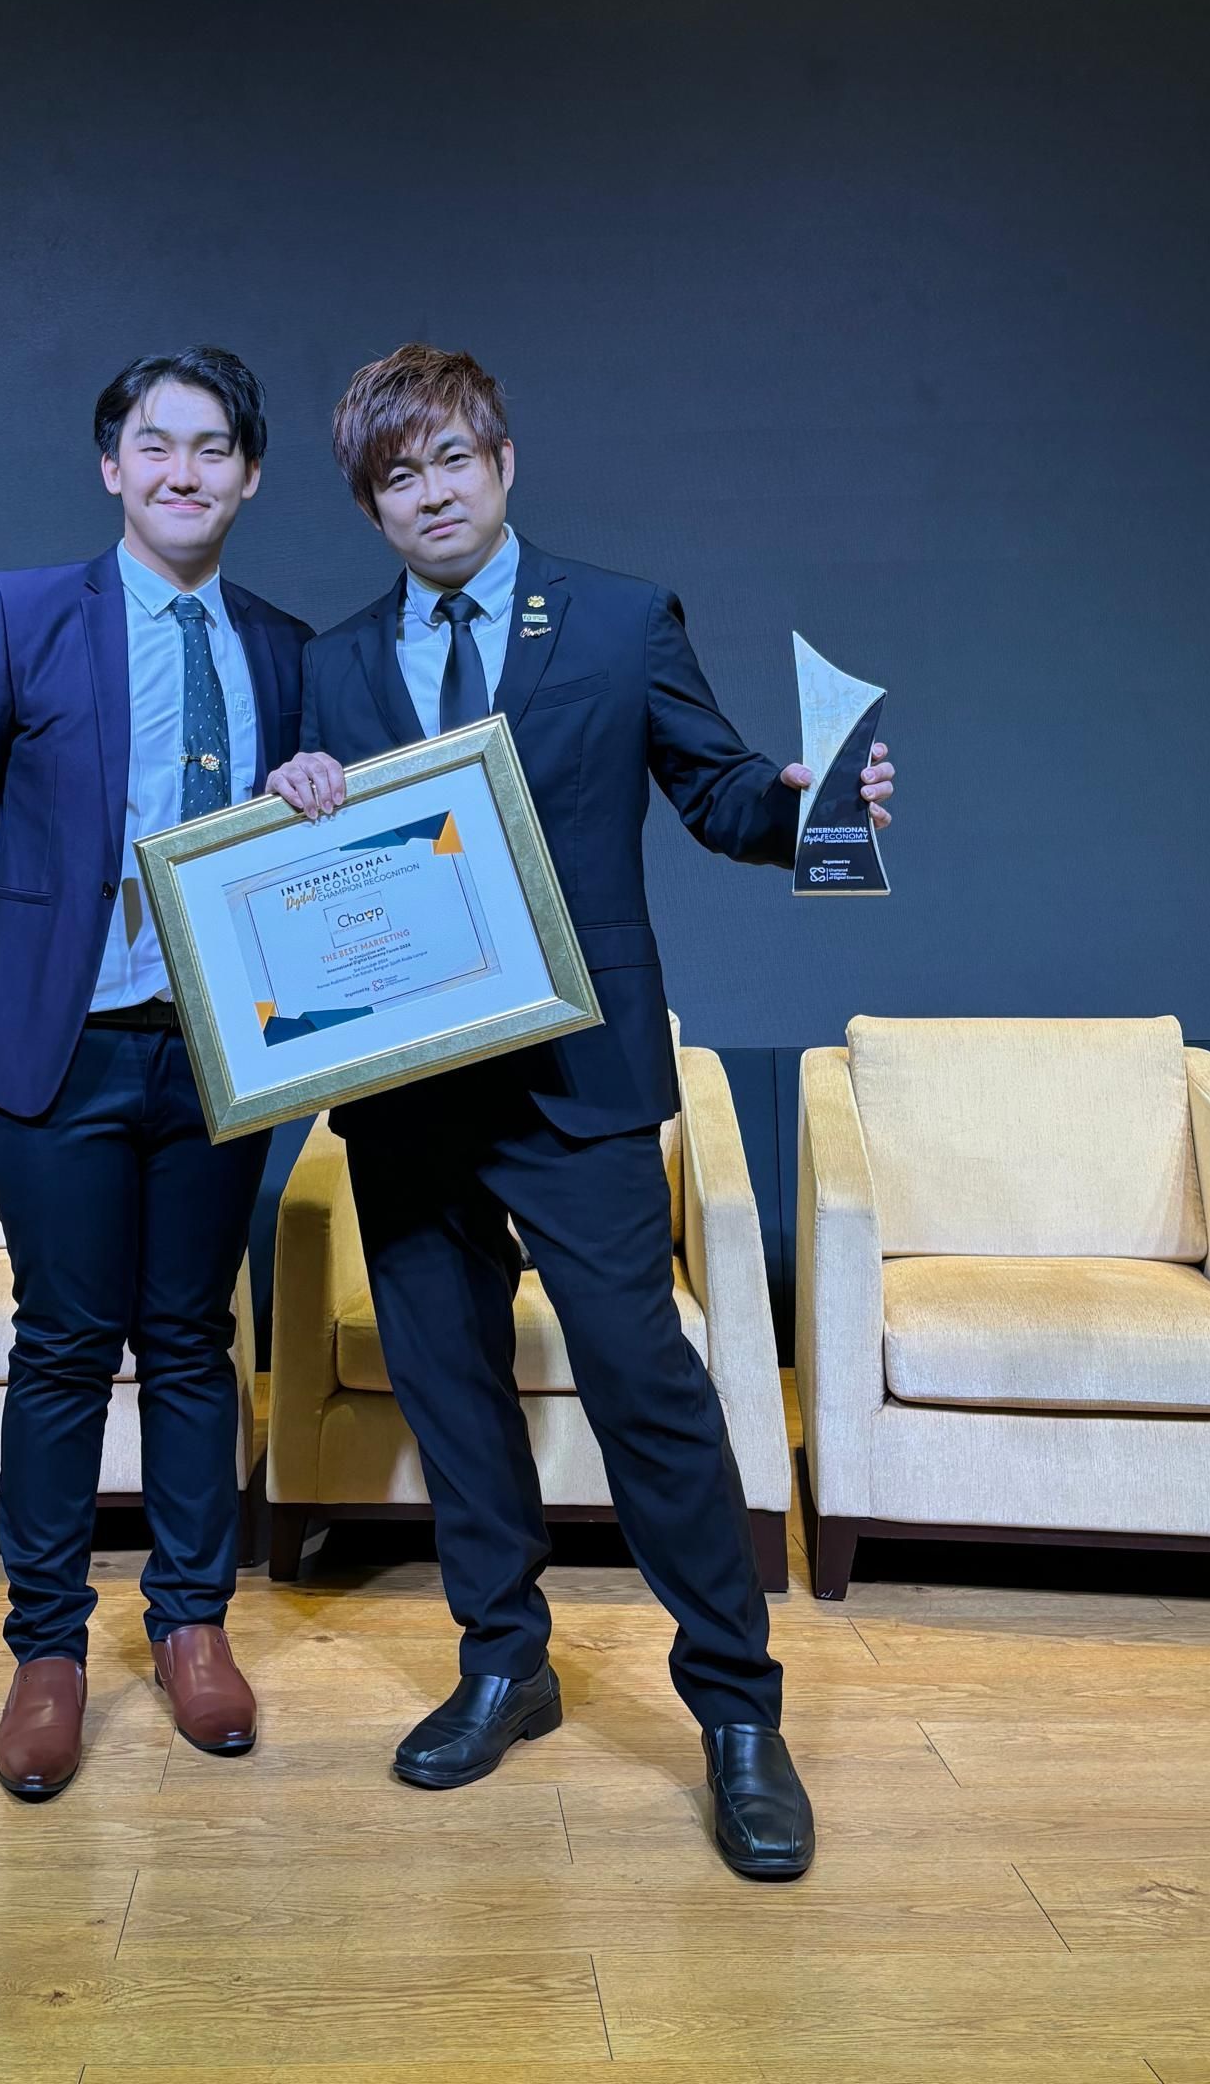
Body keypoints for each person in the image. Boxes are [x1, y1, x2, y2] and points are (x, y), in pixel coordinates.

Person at [266, 342, 894, 1881]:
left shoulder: (618, 619)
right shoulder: (331, 665)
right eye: (397, 476)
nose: (432, 494)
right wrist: (289, 802)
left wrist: (802, 806)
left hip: (579, 1076)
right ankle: (505, 1663)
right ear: (370, 504)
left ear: (503, 462)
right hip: (407, 1091)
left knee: (642, 1381)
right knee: (449, 1387)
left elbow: (718, 790)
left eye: (453, 459)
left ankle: (737, 1713)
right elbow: (304, 880)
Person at [0, 345, 311, 1801]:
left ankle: (194, 1627)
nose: (182, 470)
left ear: (249, 477)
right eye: (156, 444)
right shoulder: (22, 612)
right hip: (61, 1049)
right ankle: (49, 1654)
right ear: (112, 465)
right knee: (66, 1345)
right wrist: (46, 936)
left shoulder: (283, 646)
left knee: (193, 1338)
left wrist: (308, 798)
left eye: (213, 449)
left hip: (215, 1052)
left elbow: (302, 844)